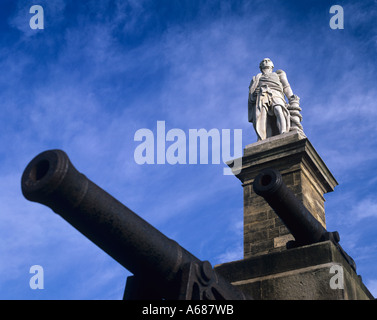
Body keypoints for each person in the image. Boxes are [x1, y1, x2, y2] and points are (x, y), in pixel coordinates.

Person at [248, 58, 301, 141]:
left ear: (272, 65)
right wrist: (254, 94)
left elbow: (286, 86)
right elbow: (251, 91)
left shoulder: (278, 74)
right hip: (262, 95)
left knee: (279, 109)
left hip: (276, 93)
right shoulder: (256, 78)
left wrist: (291, 97)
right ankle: (263, 137)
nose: (265, 62)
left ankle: (283, 131)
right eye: (263, 61)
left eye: (268, 61)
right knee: (263, 117)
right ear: (260, 66)